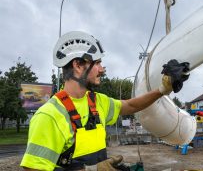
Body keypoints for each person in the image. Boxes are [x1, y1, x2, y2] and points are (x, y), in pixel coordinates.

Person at [20, 31, 188, 170]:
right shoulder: (50, 116)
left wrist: (162, 90)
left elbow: (130, 105)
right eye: (97, 63)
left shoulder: (97, 101)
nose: (102, 69)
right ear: (78, 66)